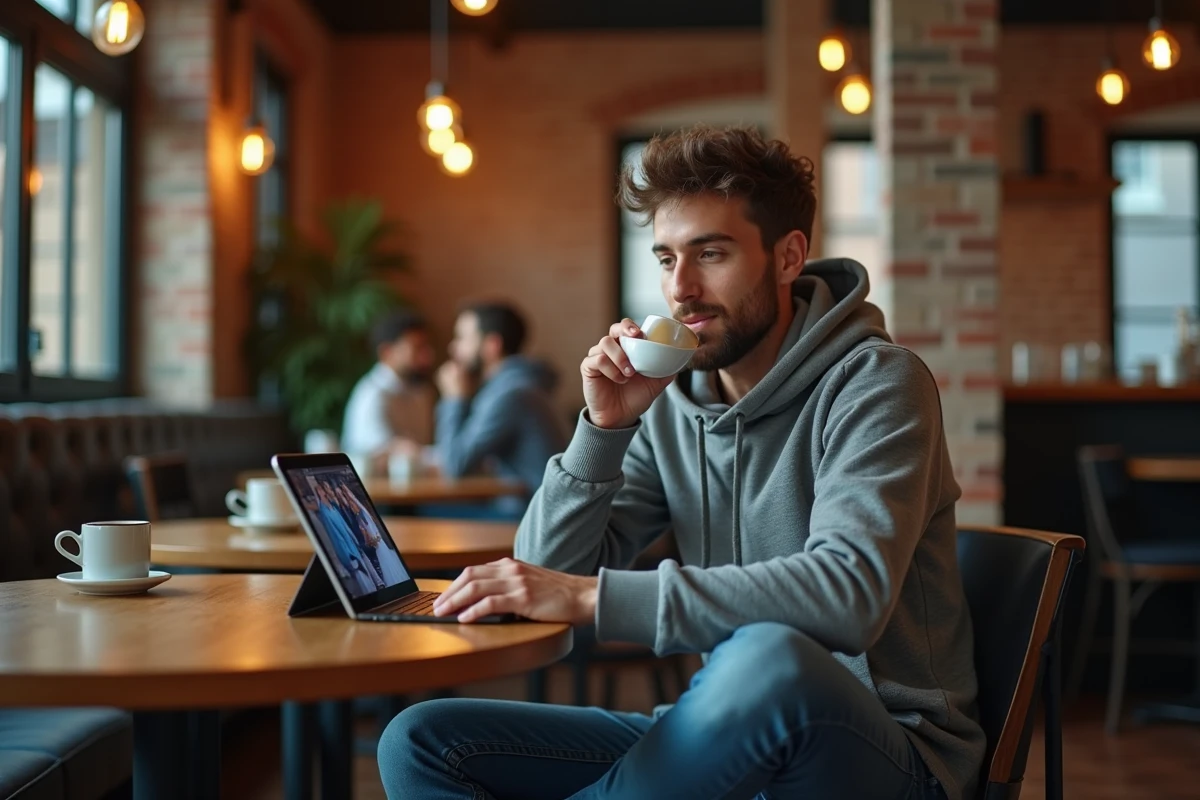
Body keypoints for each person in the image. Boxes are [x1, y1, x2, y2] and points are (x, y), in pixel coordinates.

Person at [377, 124, 985, 800]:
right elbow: (543, 568)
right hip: (729, 725)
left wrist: (592, 598)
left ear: (788, 258)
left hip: (888, 753)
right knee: (423, 742)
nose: (682, 288)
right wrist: (605, 429)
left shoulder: (877, 383)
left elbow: (849, 596)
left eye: (711, 253)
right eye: (666, 259)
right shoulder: (670, 404)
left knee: (770, 655)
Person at [431, 301, 569, 518]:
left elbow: (454, 465)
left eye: (462, 338)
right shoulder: (521, 383)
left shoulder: (509, 393)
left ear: (492, 345)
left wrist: (453, 399)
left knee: (420, 516)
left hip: (531, 518)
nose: (453, 348)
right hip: (534, 510)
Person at [341, 309, 437, 474]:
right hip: (377, 496)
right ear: (387, 352)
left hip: (416, 491)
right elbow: (382, 455)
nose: (427, 357)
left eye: (426, 348)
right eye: (417, 349)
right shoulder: (372, 395)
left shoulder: (422, 392)